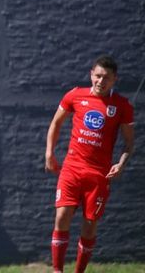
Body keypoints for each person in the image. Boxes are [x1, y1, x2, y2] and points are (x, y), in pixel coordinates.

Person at [45, 55, 135, 273]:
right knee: (62, 216)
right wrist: (49, 153)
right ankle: (57, 270)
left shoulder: (121, 105)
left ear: (114, 80)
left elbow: (129, 143)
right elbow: (56, 122)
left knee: (89, 225)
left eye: (106, 78)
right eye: (98, 76)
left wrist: (121, 163)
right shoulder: (76, 95)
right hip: (72, 169)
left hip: (98, 175)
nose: (101, 81)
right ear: (91, 74)